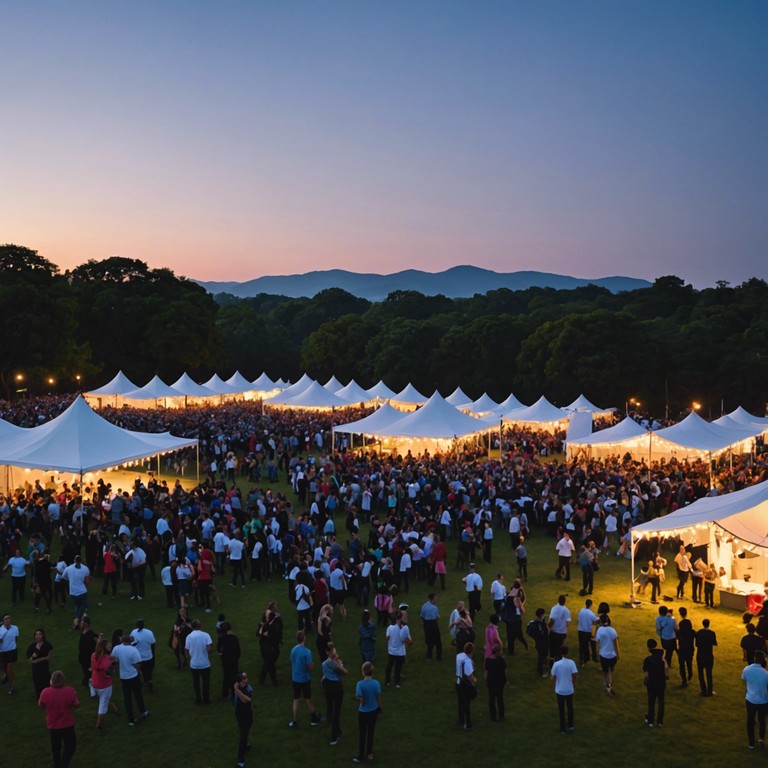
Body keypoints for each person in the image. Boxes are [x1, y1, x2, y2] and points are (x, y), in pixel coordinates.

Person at [38, 670, 80, 768]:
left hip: (53, 724)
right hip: (67, 723)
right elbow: (77, 704)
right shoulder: (70, 691)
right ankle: (64, 763)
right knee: (71, 745)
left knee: (55, 747)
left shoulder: (45, 692)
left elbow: (41, 705)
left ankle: (57, 764)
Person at [111, 634, 148, 725]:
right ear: (130, 641)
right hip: (134, 676)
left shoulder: (116, 648)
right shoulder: (133, 650)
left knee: (127, 698)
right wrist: (138, 672)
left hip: (123, 677)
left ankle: (131, 720)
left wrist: (116, 667)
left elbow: (113, 660)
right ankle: (143, 712)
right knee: (138, 695)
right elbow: (138, 665)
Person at [289, 630, 322, 727]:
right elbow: (310, 667)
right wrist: (312, 665)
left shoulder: (293, 650)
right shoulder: (307, 652)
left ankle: (294, 721)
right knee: (308, 699)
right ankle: (314, 718)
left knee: (296, 699)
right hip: (304, 679)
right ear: (304, 638)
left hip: (295, 678)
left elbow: (292, 660)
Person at [353, 661, 382, 764]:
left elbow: (362, 700)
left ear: (363, 672)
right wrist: (379, 707)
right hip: (373, 711)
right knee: (370, 732)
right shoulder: (376, 683)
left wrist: (356, 697)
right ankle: (369, 753)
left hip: (363, 712)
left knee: (362, 733)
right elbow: (378, 697)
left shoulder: (360, 684)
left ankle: (360, 755)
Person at [90, 636, 119, 729]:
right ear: (104, 648)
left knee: (103, 698)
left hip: (95, 683)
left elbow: (105, 656)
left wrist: (99, 642)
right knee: (102, 706)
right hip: (105, 686)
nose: (110, 646)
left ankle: (114, 707)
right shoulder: (107, 662)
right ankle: (98, 725)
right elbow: (111, 669)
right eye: (108, 645)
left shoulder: (93, 656)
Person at [322, 642, 347, 745]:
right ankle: (333, 737)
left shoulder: (324, 663)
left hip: (327, 686)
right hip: (336, 686)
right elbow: (344, 672)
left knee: (330, 706)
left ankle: (338, 730)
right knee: (336, 710)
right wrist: (340, 665)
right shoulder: (333, 663)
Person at [742, 650, 768, 749]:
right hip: (763, 700)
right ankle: (761, 738)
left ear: (754, 658)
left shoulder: (747, 669)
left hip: (750, 699)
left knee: (750, 720)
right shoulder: (765, 673)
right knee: (762, 720)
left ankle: (751, 743)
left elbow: (743, 678)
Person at [550, 644, 578, 734]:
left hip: (560, 690)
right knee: (570, 708)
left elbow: (552, 678)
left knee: (561, 709)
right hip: (569, 689)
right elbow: (574, 674)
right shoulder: (571, 663)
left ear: (560, 652)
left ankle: (562, 729)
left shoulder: (556, 664)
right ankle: (571, 725)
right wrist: (574, 683)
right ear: (567, 652)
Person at [185, 619, 213, 705]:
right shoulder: (206, 635)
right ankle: (206, 699)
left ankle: (198, 700)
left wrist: (190, 656)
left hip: (194, 664)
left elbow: (186, 651)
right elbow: (209, 649)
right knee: (206, 682)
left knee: (196, 682)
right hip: (205, 664)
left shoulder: (189, 637)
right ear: (199, 626)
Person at [642, 638, 669, 727]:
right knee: (661, 701)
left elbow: (646, 674)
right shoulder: (662, 660)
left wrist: (645, 681)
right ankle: (660, 721)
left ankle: (650, 721)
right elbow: (666, 669)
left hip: (651, 683)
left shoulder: (648, 660)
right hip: (661, 683)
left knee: (651, 701)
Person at [257, 602, 283, 686]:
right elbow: (277, 634)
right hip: (270, 647)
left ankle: (270, 681)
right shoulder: (271, 626)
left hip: (265, 646)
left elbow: (258, 633)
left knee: (269, 663)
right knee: (269, 664)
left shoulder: (264, 625)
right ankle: (269, 681)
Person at [385, 610, 412, 688]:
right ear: (401, 617)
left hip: (391, 651)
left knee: (389, 666)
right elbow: (407, 640)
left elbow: (387, 638)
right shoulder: (405, 628)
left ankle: (387, 681)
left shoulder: (390, 628)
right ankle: (396, 682)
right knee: (398, 668)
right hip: (400, 652)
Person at [63, 555, 90, 629]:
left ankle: (77, 620)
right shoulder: (85, 569)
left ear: (74, 560)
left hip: (73, 592)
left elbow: (64, 577)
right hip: (82, 591)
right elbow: (87, 581)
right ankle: (78, 619)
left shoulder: (68, 569)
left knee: (77, 606)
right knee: (83, 606)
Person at [455, 640, 477, 731]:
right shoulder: (467, 662)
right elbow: (469, 676)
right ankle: (467, 724)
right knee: (466, 705)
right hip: (465, 685)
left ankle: (461, 720)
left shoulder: (459, 656)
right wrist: (474, 681)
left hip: (458, 682)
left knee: (460, 702)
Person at [233, 671, 253, 768]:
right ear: (239, 681)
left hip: (248, 713)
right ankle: (240, 760)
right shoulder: (240, 688)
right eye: (243, 679)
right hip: (241, 715)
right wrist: (237, 690)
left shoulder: (247, 688)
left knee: (248, 726)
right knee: (243, 736)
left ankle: (246, 744)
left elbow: (248, 699)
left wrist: (237, 690)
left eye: (246, 678)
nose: (246, 680)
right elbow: (243, 700)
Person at [595, 614, 619, 694]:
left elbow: (598, 641)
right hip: (613, 655)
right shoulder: (612, 630)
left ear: (601, 622)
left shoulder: (600, 630)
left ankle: (607, 685)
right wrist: (618, 654)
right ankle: (608, 684)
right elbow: (616, 643)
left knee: (605, 671)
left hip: (604, 655)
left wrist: (592, 639)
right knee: (610, 671)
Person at [129, 619, 156, 692]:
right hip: (148, 657)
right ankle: (149, 681)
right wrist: (153, 655)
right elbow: (153, 644)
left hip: (138, 658)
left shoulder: (133, 632)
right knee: (149, 671)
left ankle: (141, 682)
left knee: (139, 671)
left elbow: (131, 643)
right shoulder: (149, 632)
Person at [26, 627, 53, 697]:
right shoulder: (32, 647)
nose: (38, 636)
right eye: (36, 634)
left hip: (44, 667)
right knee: (37, 682)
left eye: (39, 634)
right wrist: (32, 657)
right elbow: (30, 659)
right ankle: (40, 696)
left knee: (45, 681)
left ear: (43, 635)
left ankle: (48, 695)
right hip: (36, 669)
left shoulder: (47, 645)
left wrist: (40, 659)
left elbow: (49, 656)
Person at [484, 642, 508, 721]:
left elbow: (486, 672)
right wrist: (506, 681)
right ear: (497, 652)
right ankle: (501, 715)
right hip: (500, 681)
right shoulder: (501, 659)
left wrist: (486, 681)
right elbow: (505, 671)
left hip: (491, 681)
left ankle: (493, 716)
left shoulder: (488, 660)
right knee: (499, 698)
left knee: (492, 699)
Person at [218, 621, 241, 699]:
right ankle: (234, 692)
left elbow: (219, 649)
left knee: (226, 676)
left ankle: (225, 694)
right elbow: (238, 650)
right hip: (234, 659)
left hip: (225, 660)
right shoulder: (234, 638)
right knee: (234, 676)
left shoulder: (221, 638)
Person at [695, 618, 717, 697]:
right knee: (709, 673)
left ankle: (703, 690)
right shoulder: (712, 633)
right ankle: (710, 691)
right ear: (709, 624)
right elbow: (715, 643)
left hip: (700, 655)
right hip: (708, 655)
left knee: (700, 673)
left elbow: (696, 644)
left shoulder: (698, 633)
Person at [0, 613, 20, 694]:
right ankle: (7, 679)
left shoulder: (15, 628)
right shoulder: (1, 630)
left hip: (12, 651)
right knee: (2, 666)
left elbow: (16, 638)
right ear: (3, 621)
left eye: (9, 618)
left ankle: (11, 686)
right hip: (3, 652)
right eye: (6, 619)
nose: (8, 620)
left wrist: (12, 645)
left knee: (9, 670)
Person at [419, 593, 442, 661]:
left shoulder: (424, 605)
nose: (436, 600)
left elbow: (421, 616)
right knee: (438, 642)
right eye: (435, 599)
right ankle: (439, 657)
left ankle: (429, 656)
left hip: (426, 625)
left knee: (429, 641)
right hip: (433, 625)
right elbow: (436, 618)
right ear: (432, 599)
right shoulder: (434, 608)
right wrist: (438, 617)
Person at [576, 599, 598, 668]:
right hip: (587, 631)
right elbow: (596, 620)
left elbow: (579, 619)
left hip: (580, 631)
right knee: (588, 645)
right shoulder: (590, 613)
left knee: (582, 645)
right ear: (591, 605)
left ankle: (581, 659)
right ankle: (588, 659)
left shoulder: (581, 611)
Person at [548, 595, 571, 662]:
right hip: (562, 633)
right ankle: (559, 660)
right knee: (560, 648)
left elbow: (552, 620)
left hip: (554, 631)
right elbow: (568, 622)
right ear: (565, 602)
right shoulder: (567, 610)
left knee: (552, 647)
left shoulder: (554, 608)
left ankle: (552, 659)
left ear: (558, 600)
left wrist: (548, 629)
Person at [676, 606, 695, 686]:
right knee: (689, 663)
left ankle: (684, 680)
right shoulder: (692, 632)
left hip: (682, 648)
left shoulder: (680, 632)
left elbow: (677, 637)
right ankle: (690, 674)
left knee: (682, 665)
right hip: (690, 648)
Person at [530, 608, 550, 678]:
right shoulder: (540, 624)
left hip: (540, 642)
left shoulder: (538, 621)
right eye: (543, 614)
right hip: (541, 643)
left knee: (543, 655)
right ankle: (540, 672)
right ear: (541, 615)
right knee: (541, 657)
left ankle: (543, 664)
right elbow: (546, 631)